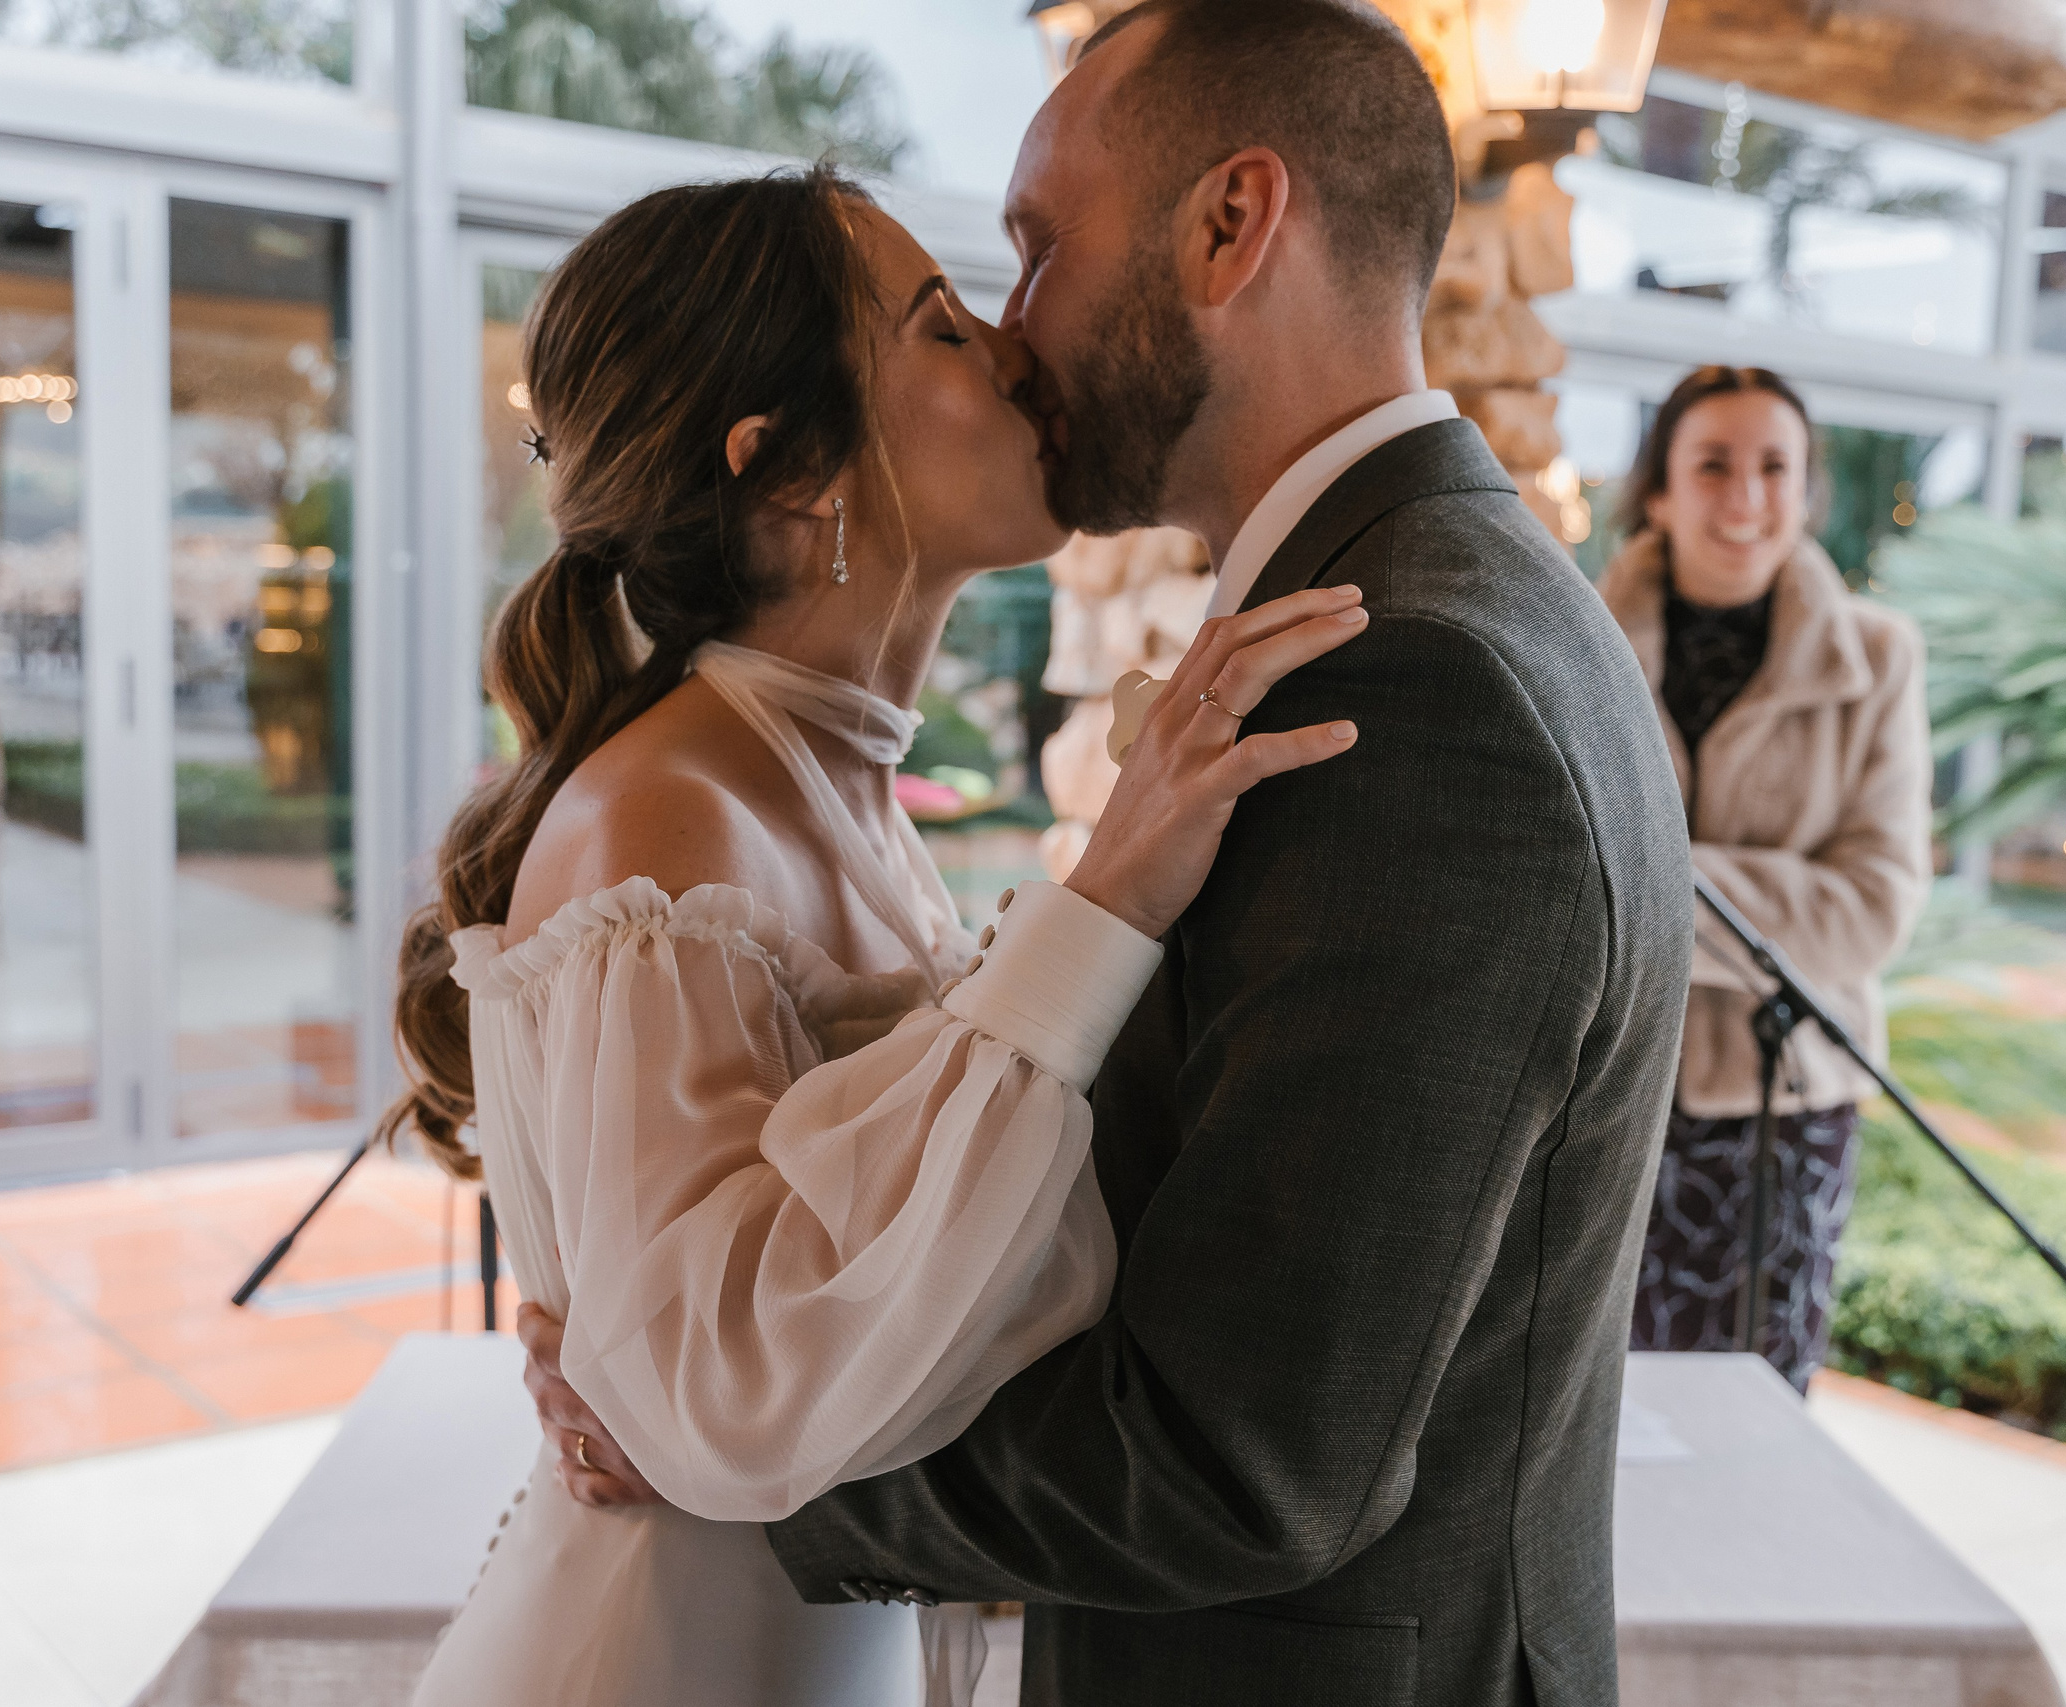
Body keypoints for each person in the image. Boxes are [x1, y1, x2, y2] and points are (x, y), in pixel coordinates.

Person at [519, 3, 1694, 1704]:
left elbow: (1248, 1452)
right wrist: (690, 1363)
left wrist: (738, 1467)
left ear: (1230, 226)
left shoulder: (1415, 680)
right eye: (964, 298)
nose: (1012, 333)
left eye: (1034, 247)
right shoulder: (1403, 615)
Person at [390, 167, 1373, 1707]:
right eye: (940, 325)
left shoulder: (825, 786)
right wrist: (1103, 899)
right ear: (790, 474)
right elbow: (718, 1380)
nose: (1012, 351)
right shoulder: (669, 819)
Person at [1597, 365, 1933, 1394]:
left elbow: (1870, 911)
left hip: (1785, 1109)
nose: (1745, 497)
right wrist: (1752, 898)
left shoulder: (1877, 658)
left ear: (1805, 489)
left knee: (1753, 1419)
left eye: (1773, 467)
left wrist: (1645, 879)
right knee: (1583, 1423)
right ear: (1657, 488)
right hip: (1602, 1093)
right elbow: (1535, 870)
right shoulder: (1571, 641)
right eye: (1712, 464)